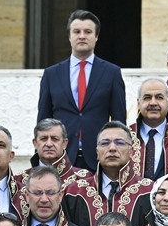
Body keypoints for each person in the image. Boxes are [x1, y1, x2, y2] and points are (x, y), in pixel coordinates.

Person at [36, 9, 128, 171]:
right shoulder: (51, 74)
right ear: (69, 36)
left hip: (99, 157)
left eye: (88, 32)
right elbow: (43, 120)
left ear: (96, 37)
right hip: (60, 158)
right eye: (77, 31)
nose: (82, 36)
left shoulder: (112, 73)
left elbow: (119, 121)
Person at [60, 122, 153, 226]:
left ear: (131, 152)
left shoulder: (149, 191)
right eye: (105, 143)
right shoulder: (75, 192)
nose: (112, 148)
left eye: (120, 143)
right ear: (97, 152)